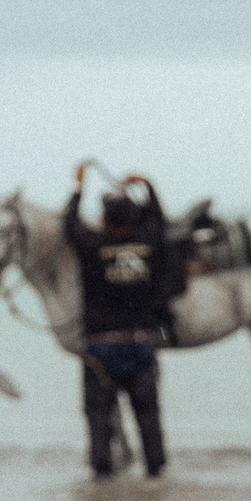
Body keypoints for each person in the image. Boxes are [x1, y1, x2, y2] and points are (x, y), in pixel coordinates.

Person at [63, 165, 186, 478]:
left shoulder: (92, 247)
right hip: (141, 346)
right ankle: (155, 484)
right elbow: (158, 220)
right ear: (133, 216)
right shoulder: (148, 243)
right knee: (149, 419)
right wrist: (149, 185)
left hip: (100, 349)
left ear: (103, 218)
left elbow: (69, 223)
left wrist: (78, 188)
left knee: (98, 421)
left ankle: (102, 488)